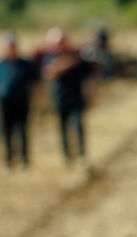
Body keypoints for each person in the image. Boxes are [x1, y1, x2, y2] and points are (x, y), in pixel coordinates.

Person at [38, 27, 97, 162]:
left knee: (78, 127)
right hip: (59, 98)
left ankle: (82, 155)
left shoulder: (78, 56)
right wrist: (63, 65)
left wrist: (93, 94)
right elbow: (47, 74)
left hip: (76, 98)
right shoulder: (50, 57)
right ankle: (67, 156)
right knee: (62, 129)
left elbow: (91, 74)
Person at [0, 32, 40, 168]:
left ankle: (24, 160)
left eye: (12, 46)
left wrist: (37, 100)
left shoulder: (25, 65)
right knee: (6, 132)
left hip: (22, 102)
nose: (10, 49)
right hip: (3, 103)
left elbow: (36, 83)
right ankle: (9, 160)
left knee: (22, 131)